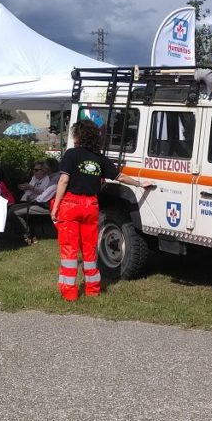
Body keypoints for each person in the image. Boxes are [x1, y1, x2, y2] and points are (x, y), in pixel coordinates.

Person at [50, 120, 155, 301]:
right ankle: (93, 289)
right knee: (90, 251)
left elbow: (63, 181)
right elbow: (119, 176)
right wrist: (139, 183)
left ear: (77, 136)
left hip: (71, 205)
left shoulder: (71, 154)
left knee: (69, 251)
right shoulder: (100, 159)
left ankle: (69, 293)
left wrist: (56, 206)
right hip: (91, 206)